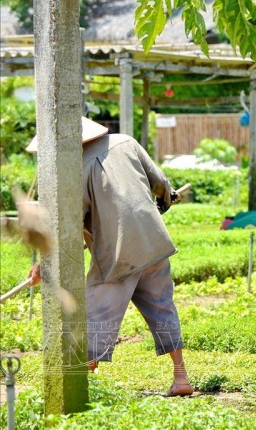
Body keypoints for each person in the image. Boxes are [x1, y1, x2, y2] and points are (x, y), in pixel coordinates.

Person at [27, 116, 194, 397]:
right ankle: (181, 378)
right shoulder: (126, 142)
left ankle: (77, 389)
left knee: (94, 317)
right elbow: (160, 183)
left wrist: (44, 264)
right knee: (163, 308)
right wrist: (164, 202)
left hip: (116, 256)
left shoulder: (74, 171)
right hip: (153, 244)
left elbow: (68, 228)